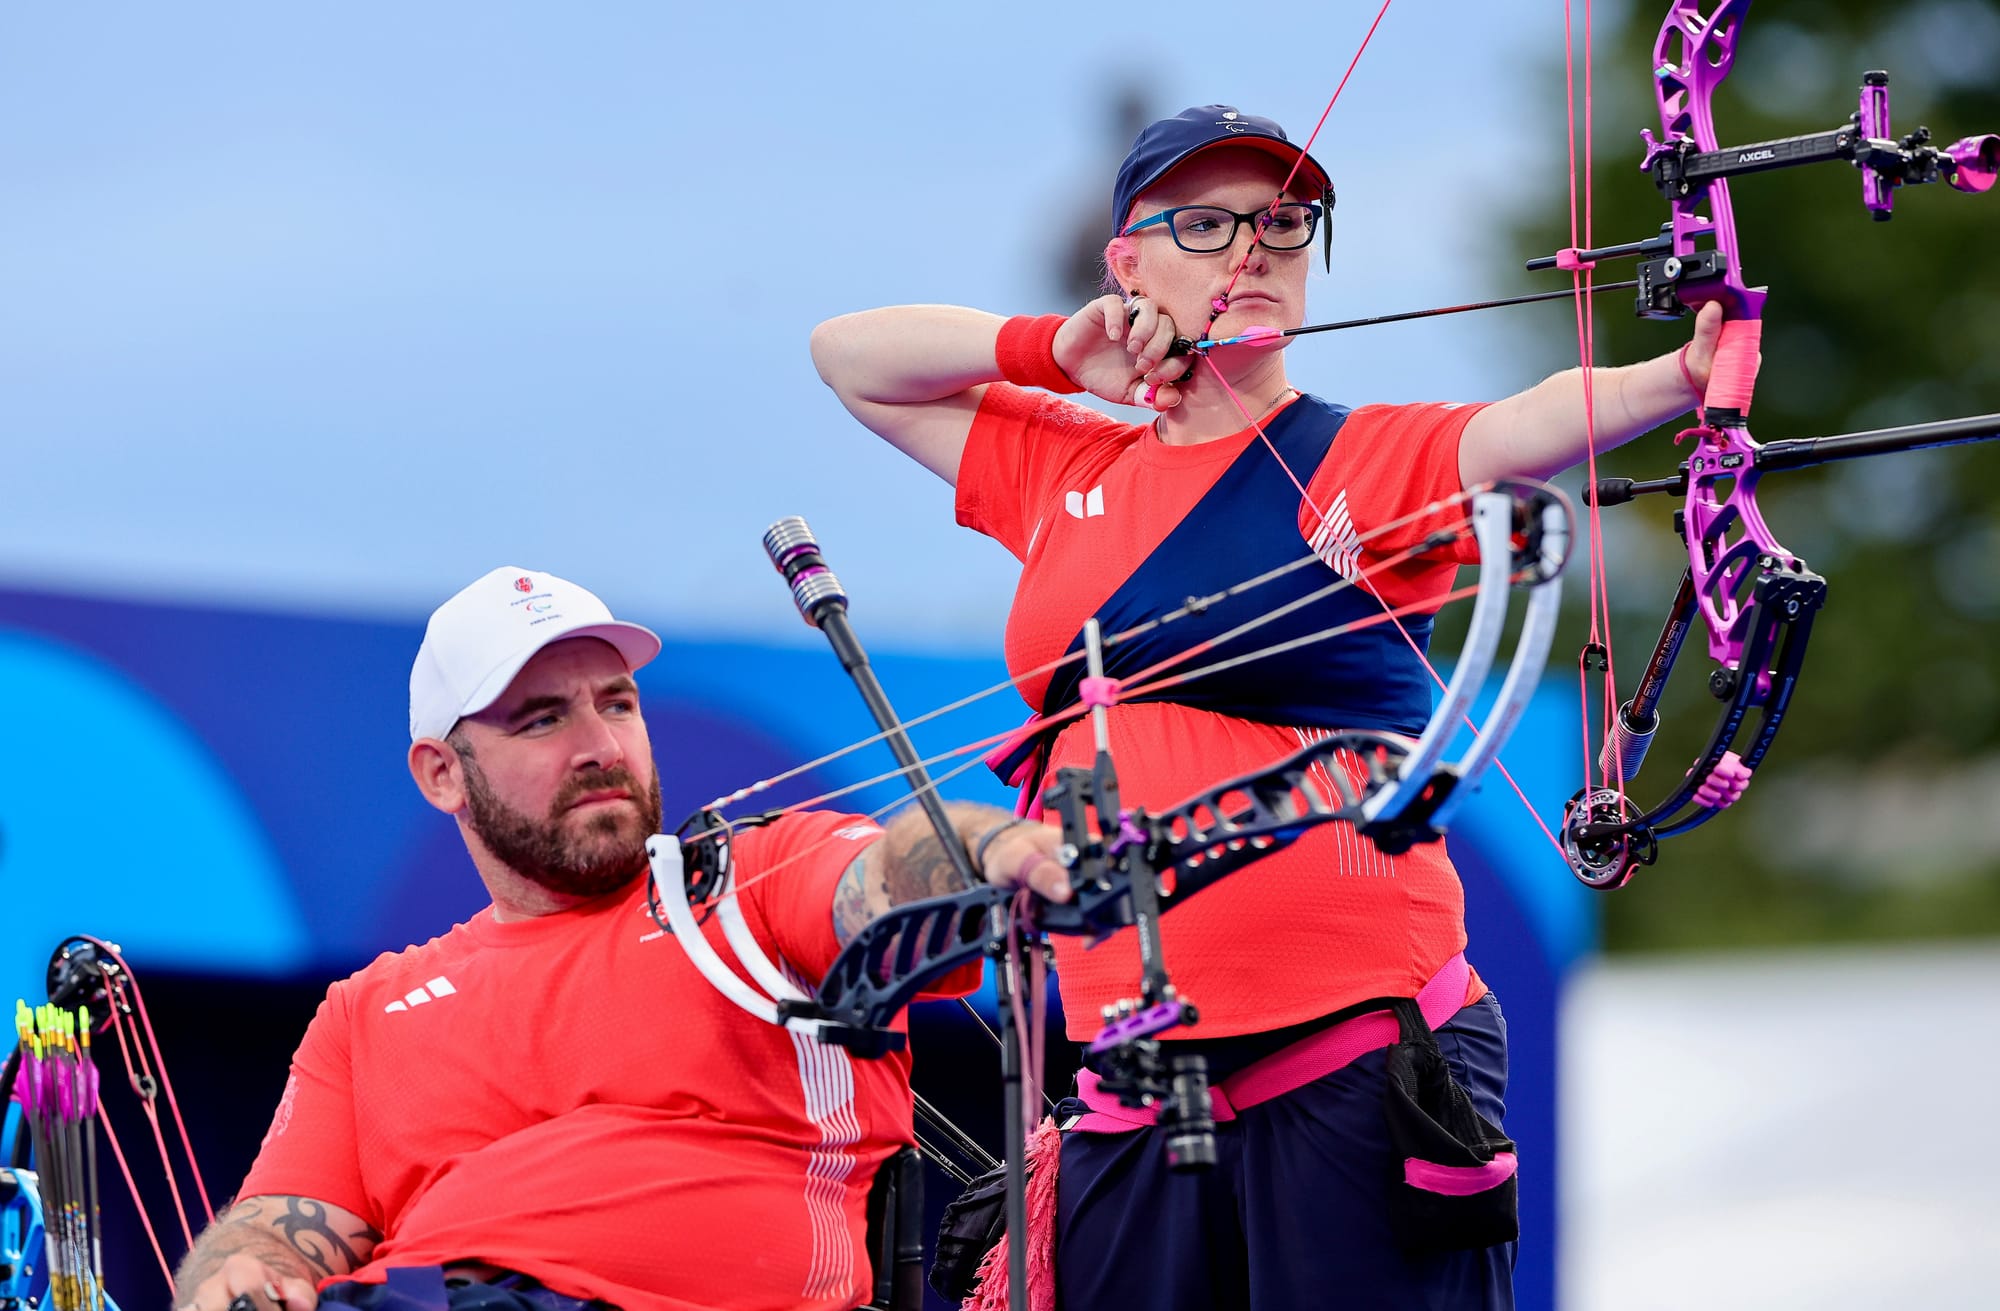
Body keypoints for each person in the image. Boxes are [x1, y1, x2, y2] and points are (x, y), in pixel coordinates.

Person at [810, 105, 1728, 1308]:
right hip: (1129, 1090)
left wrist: (1685, 372)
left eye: (1283, 225)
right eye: (1203, 225)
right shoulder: (1063, 465)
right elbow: (848, 356)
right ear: (1125, 264)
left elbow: (1525, 425)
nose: (1250, 250)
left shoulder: (1362, 461)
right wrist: (1052, 350)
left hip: (1352, 1073)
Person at [171, 566, 1069, 1311]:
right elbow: (275, 1228)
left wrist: (993, 847)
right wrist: (234, 1278)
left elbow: (885, 875)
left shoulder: (740, 885)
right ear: (442, 772)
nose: (601, 744)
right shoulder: (366, 1010)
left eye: (619, 703)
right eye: (543, 718)